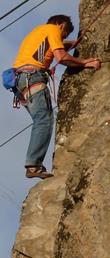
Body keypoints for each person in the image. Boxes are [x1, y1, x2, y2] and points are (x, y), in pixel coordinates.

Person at [12, 15, 101, 179]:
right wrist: (85, 62)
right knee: (44, 120)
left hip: (20, 82)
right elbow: (61, 57)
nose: (63, 38)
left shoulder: (38, 31)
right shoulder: (53, 30)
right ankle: (33, 165)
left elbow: (51, 49)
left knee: (41, 119)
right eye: (64, 34)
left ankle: (33, 164)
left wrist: (69, 44)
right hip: (33, 78)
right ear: (61, 25)